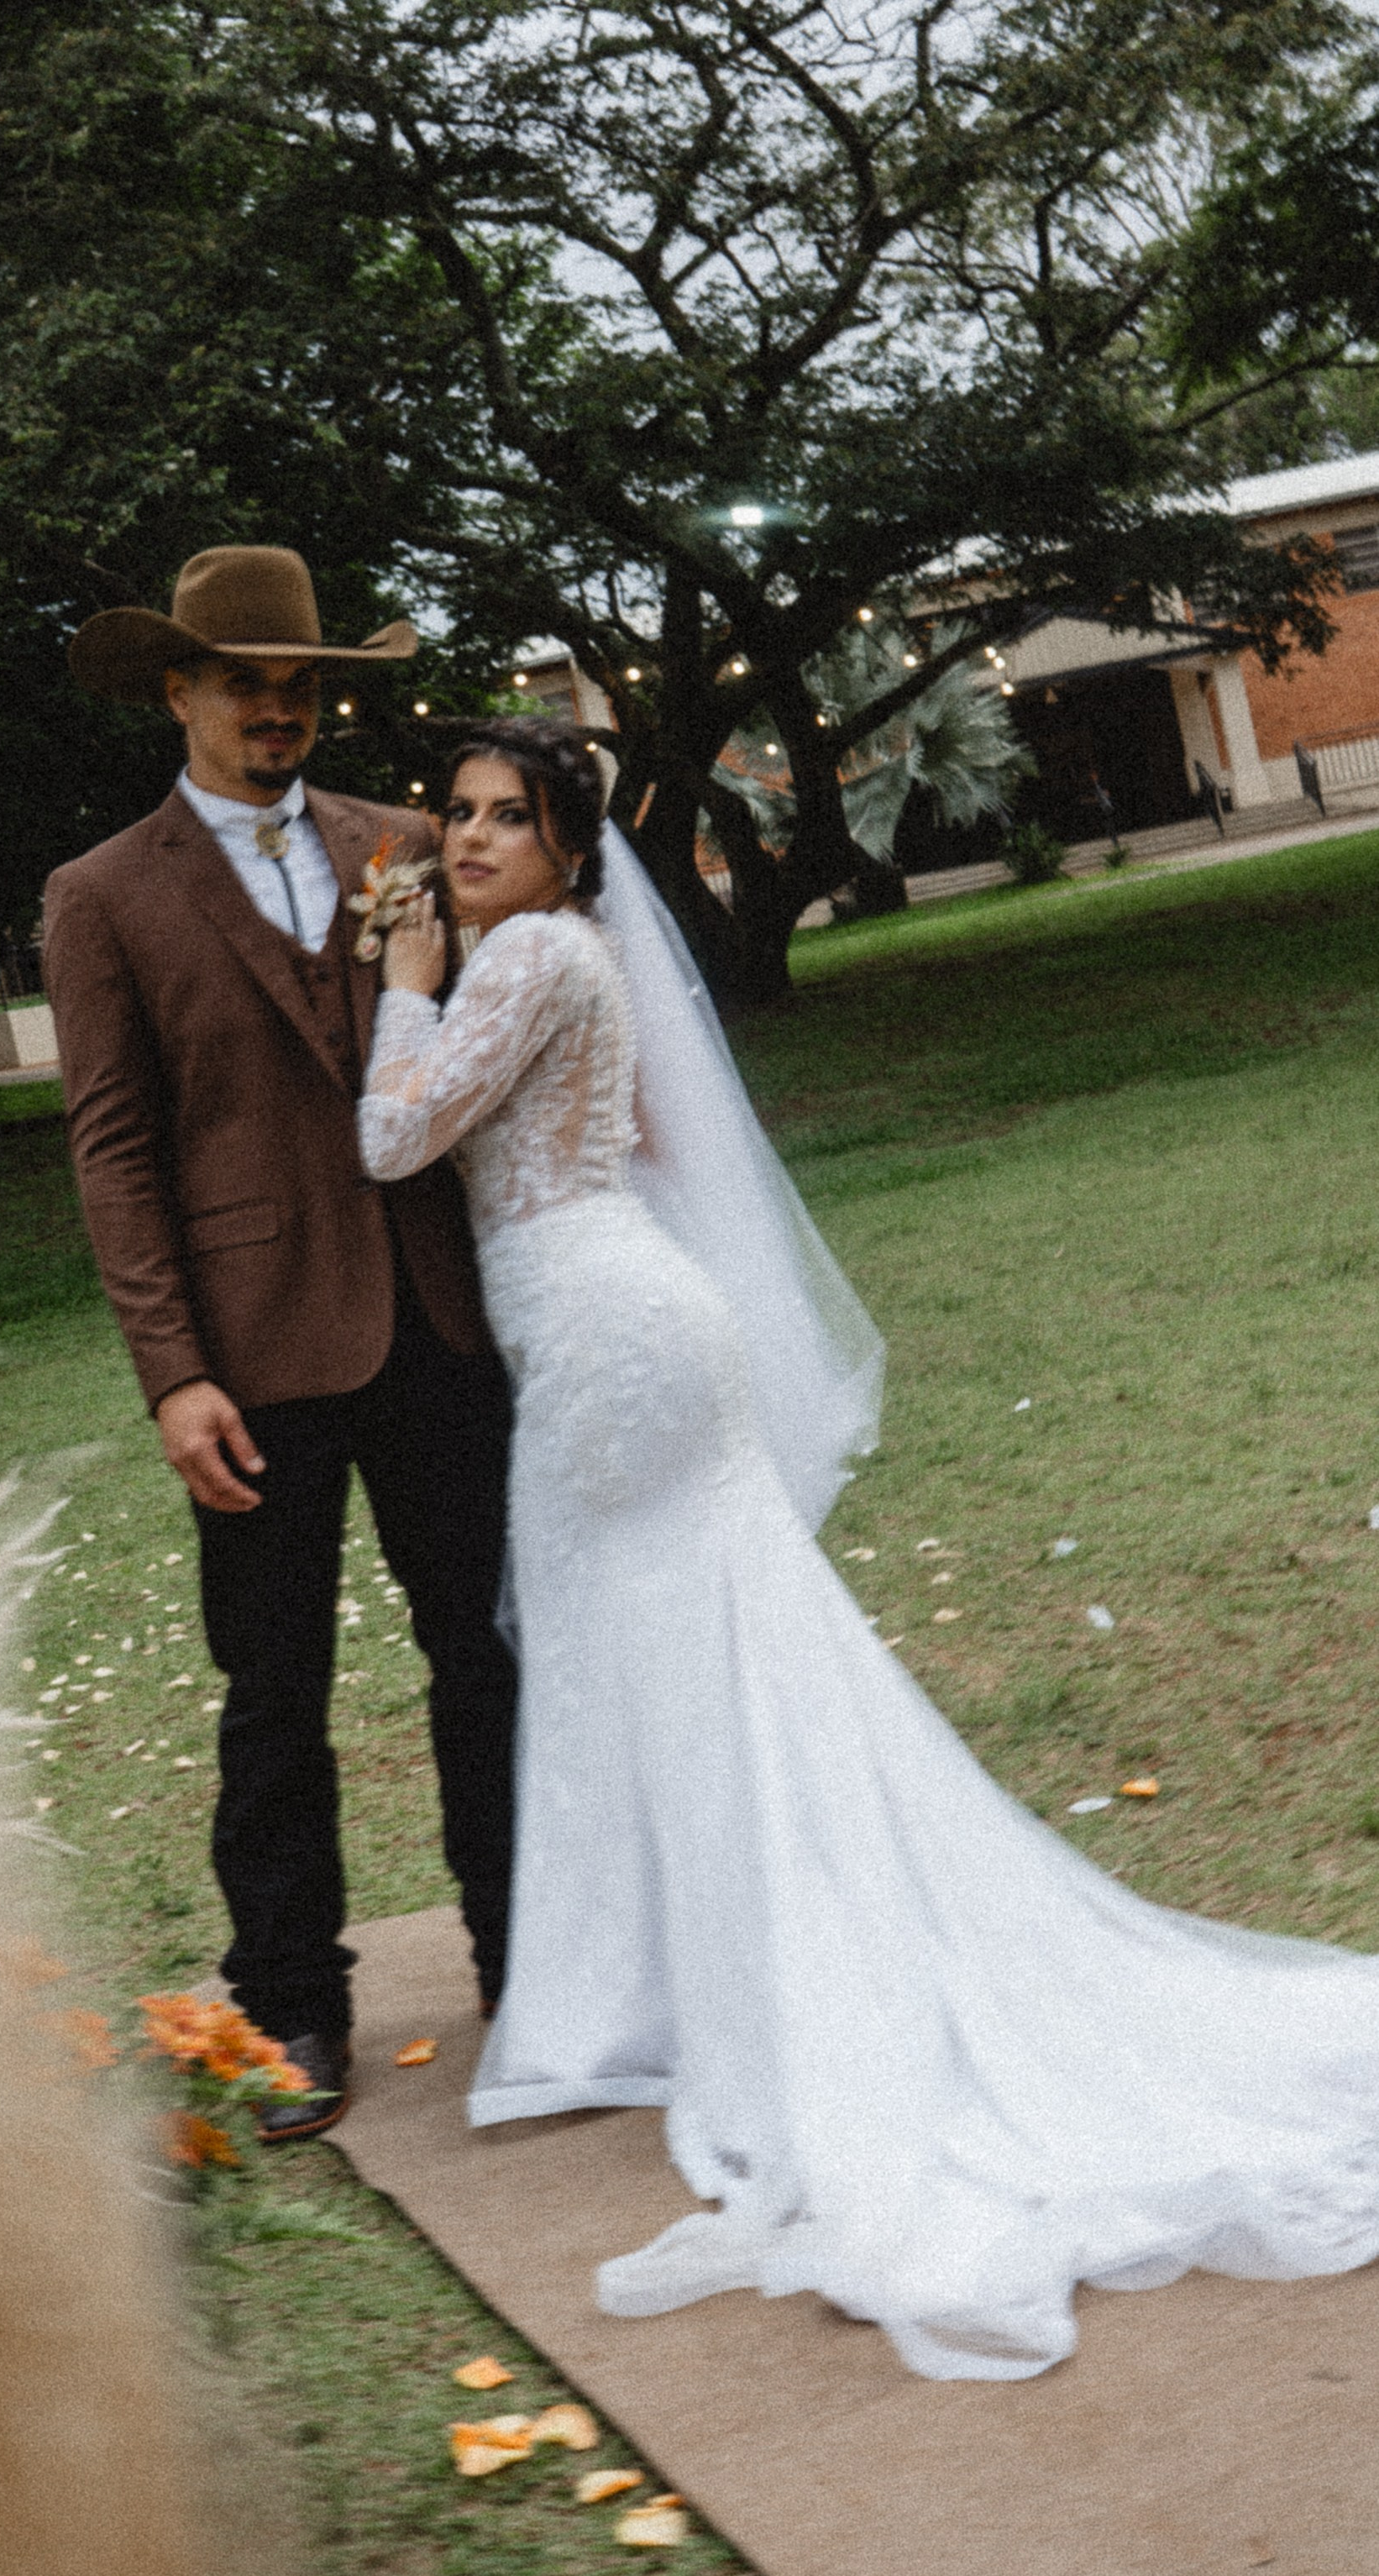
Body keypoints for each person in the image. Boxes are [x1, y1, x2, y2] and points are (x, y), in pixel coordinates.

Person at [356, 716, 1379, 2382]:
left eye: (506, 820)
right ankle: (674, 1985)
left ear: (562, 848)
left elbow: (392, 1138)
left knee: (665, 1659)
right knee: (692, 1657)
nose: (469, 842)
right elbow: (651, 1150)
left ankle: (715, 1998)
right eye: (457, 816)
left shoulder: (522, 956)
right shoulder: (571, 952)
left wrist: (403, 975)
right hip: (623, 1322)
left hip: (610, 1345)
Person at [42, 548, 518, 2142]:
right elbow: (114, 1150)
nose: (275, 706)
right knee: (273, 1692)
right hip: (251, 1360)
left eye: (299, 680)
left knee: (491, 1656)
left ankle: (527, 1961)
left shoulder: (404, 842)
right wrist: (173, 1373)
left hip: (440, 1324)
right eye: (243, 680)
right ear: (174, 690)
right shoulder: (102, 894)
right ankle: (291, 2012)